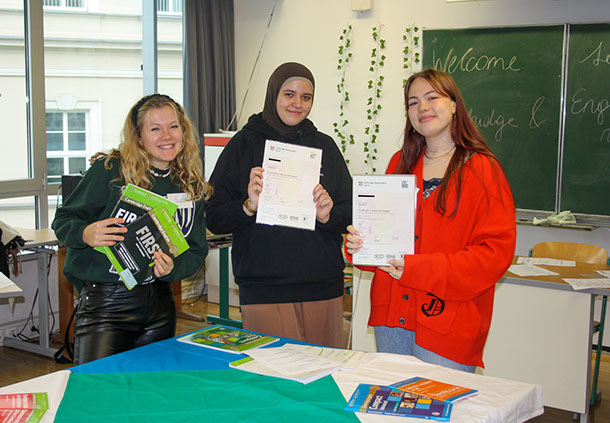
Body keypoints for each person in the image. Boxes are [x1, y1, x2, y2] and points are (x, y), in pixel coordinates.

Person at [346, 68, 516, 372]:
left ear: (454, 105)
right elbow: (386, 241)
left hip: (447, 320)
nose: (422, 107)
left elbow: (493, 256)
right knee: (392, 401)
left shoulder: (482, 169)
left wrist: (418, 269)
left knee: (438, 402)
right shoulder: (400, 163)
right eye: (413, 102)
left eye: (432, 97)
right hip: (393, 316)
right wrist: (360, 247)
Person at [52, 94, 211, 365]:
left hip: (160, 305)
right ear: (138, 137)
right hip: (106, 305)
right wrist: (86, 233)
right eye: (155, 128)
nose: (167, 136)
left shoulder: (189, 182)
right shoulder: (111, 171)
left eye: (173, 126)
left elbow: (196, 249)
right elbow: (64, 219)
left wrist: (172, 268)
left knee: (148, 387)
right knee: (97, 386)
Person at [205, 62, 352, 348]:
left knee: (324, 370)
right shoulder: (242, 145)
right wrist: (248, 206)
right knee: (271, 372)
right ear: (274, 93)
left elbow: (349, 213)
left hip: (321, 285)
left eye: (306, 97)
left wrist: (327, 216)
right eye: (289, 94)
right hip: (264, 288)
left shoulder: (324, 147)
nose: (297, 104)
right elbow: (214, 217)